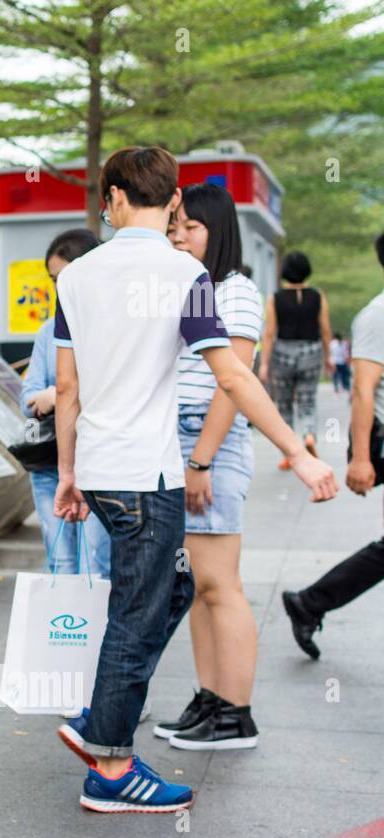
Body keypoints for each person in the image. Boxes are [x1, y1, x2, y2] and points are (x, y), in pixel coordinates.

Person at [52, 146, 337, 813]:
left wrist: (69, 473)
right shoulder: (185, 274)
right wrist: (298, 452)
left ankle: (102, 722)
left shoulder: (77, 277)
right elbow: (233, 376)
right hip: (147, 477)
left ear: (115, 198)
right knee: (139, 610)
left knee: (173, 583)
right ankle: (112, 768)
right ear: (173, 201)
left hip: (100, 468)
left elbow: (68, 388)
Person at [155, 182, 266, 750]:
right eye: (174, 227)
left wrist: (200, 460)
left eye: (190, 228)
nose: (178, 237)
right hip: (184, 440)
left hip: (209, 442)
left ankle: (236, 713)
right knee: (199, 585)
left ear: (217, 231)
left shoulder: (237, 292)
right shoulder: (195, 288)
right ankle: (211, 698)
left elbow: (233, 385)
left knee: (221, 585)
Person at [282, 230, 384, 658]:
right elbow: (363, 392)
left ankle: (310, 602)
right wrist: (360, 458)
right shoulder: (377, 316)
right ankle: (310, 602)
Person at [20, 228, 110, 578]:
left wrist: (56, 394)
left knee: (95, 565)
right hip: (48, 464)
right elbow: (28, 400)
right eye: (53, 279)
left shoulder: (112, 328)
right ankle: (64, 634)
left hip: (97, 464)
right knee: (62, 564)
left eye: (62, 278)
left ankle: (95, 634)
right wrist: (62, 392)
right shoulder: (48, 330)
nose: (58, 288)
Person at [260, 251, 332, 466]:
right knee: (307, 399)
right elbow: (326, 330)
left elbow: (270, 332)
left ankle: (289, 453)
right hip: (311, 351)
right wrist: (328, 357)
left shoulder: (276, 298)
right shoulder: (318, 295)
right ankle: (309, 435)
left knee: (284, 403)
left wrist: (264, 363)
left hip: (283, 353)